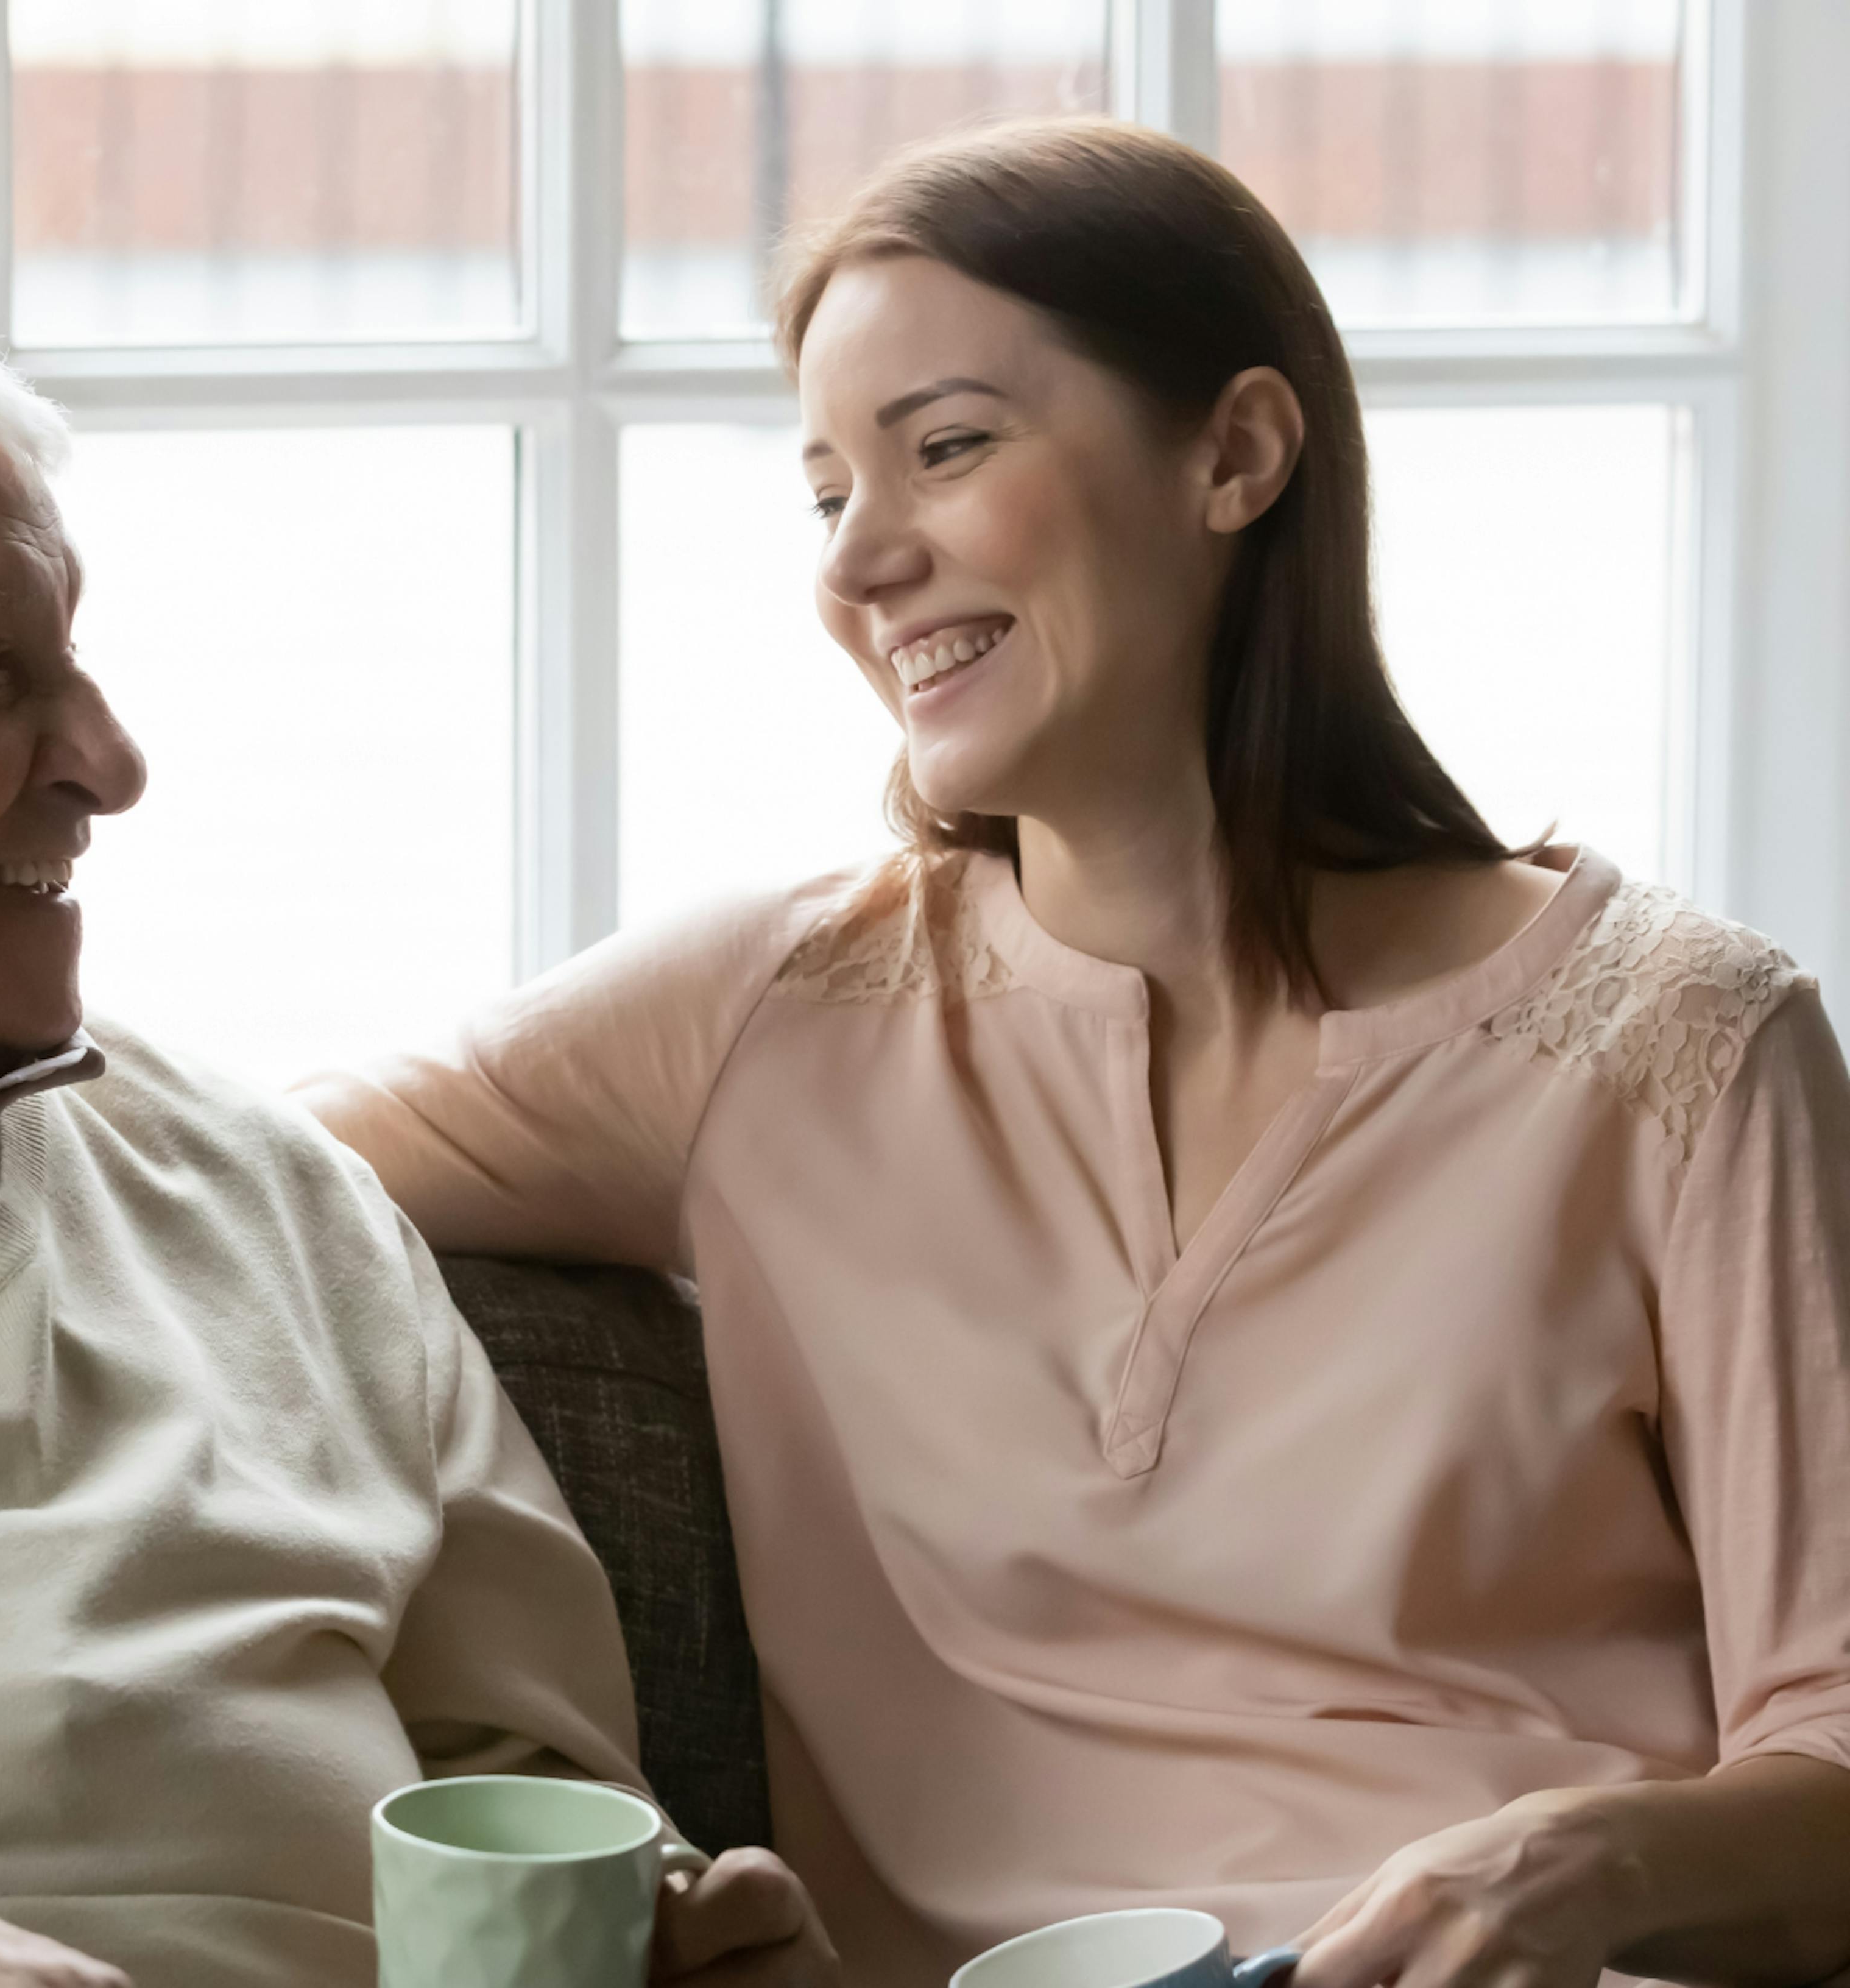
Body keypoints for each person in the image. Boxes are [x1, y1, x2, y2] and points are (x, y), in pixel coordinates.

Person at [298, 118, 1850, 1988]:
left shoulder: (1685, 1043)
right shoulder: (757, 1017)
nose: (863, 561)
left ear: (1237, 453)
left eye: (946, 447)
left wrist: (1577, 1862)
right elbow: (205, 1175)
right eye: (823, 494)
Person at [0, 317, 836, 1988]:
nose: (110, 765)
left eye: (75, 666)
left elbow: (523, 1771)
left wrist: (659, 1927)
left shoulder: (265, 1182)